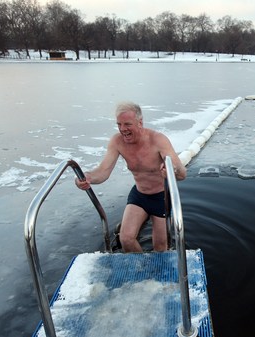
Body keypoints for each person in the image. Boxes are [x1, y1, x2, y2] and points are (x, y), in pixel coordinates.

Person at [75, 101, 186, 252]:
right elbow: (103, 171)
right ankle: (142, 270)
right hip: (139, 195)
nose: (122, 129)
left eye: (127, 124)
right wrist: (86, 177)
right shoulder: (117, 142)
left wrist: (171, 171)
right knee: (126, 239)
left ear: (140, 122)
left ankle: (158, 272)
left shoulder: (158, 140)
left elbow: (181, 174)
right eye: (119, 124)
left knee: (160, 247)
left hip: (162, 196)